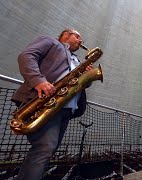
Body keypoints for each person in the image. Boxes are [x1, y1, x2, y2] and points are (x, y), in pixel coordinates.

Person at [11, 28, 93, 180]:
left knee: (46, 150)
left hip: (65, 109)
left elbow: (82, 84)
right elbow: (26, 56)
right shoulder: (51, 42)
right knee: (44, 148)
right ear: (65, 35)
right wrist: (39, 81)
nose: (80, 40)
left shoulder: (76, 59)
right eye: (77, 36)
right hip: (47, 103)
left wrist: (86, 76)